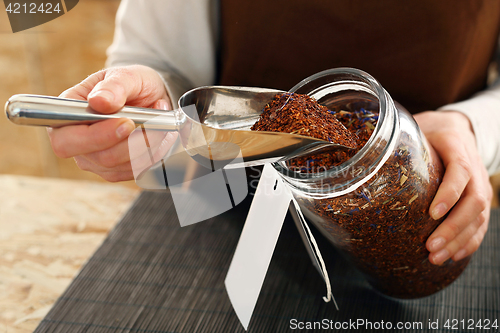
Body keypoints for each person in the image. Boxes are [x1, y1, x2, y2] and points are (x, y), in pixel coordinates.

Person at [47, 0, 500, 266]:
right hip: (221, 203)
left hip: (420, 204)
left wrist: (470, 125)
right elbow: (159, 56)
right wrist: (151, 106)